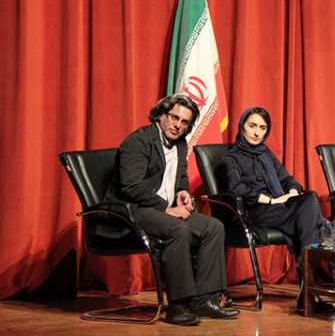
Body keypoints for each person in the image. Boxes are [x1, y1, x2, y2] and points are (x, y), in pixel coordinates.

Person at [102, 94, 240, 326]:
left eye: (184, 122)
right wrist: (166, 209)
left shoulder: (180, 143)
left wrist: (182, 192)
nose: (178, 125)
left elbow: (180, 175)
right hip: (134, 211)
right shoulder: (139, 141)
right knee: (178, 229)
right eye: (174, 117)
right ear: (161, 114)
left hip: (162, 210)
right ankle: (178, 306)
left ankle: (204, 300)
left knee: (213, 226)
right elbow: (131, 186)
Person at [219, 106, 331, 311]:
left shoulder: (266, 154)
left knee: (309, 199)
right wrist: (271, 200)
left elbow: (288, 179)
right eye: (252, 126)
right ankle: (309, 289)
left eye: (262, 128)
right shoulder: (231, 158)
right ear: (242, 127)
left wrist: (292, 192)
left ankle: (307, 286)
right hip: (252, 212)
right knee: (310, 218)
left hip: (279, 209)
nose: (257, 132)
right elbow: (236, 189)